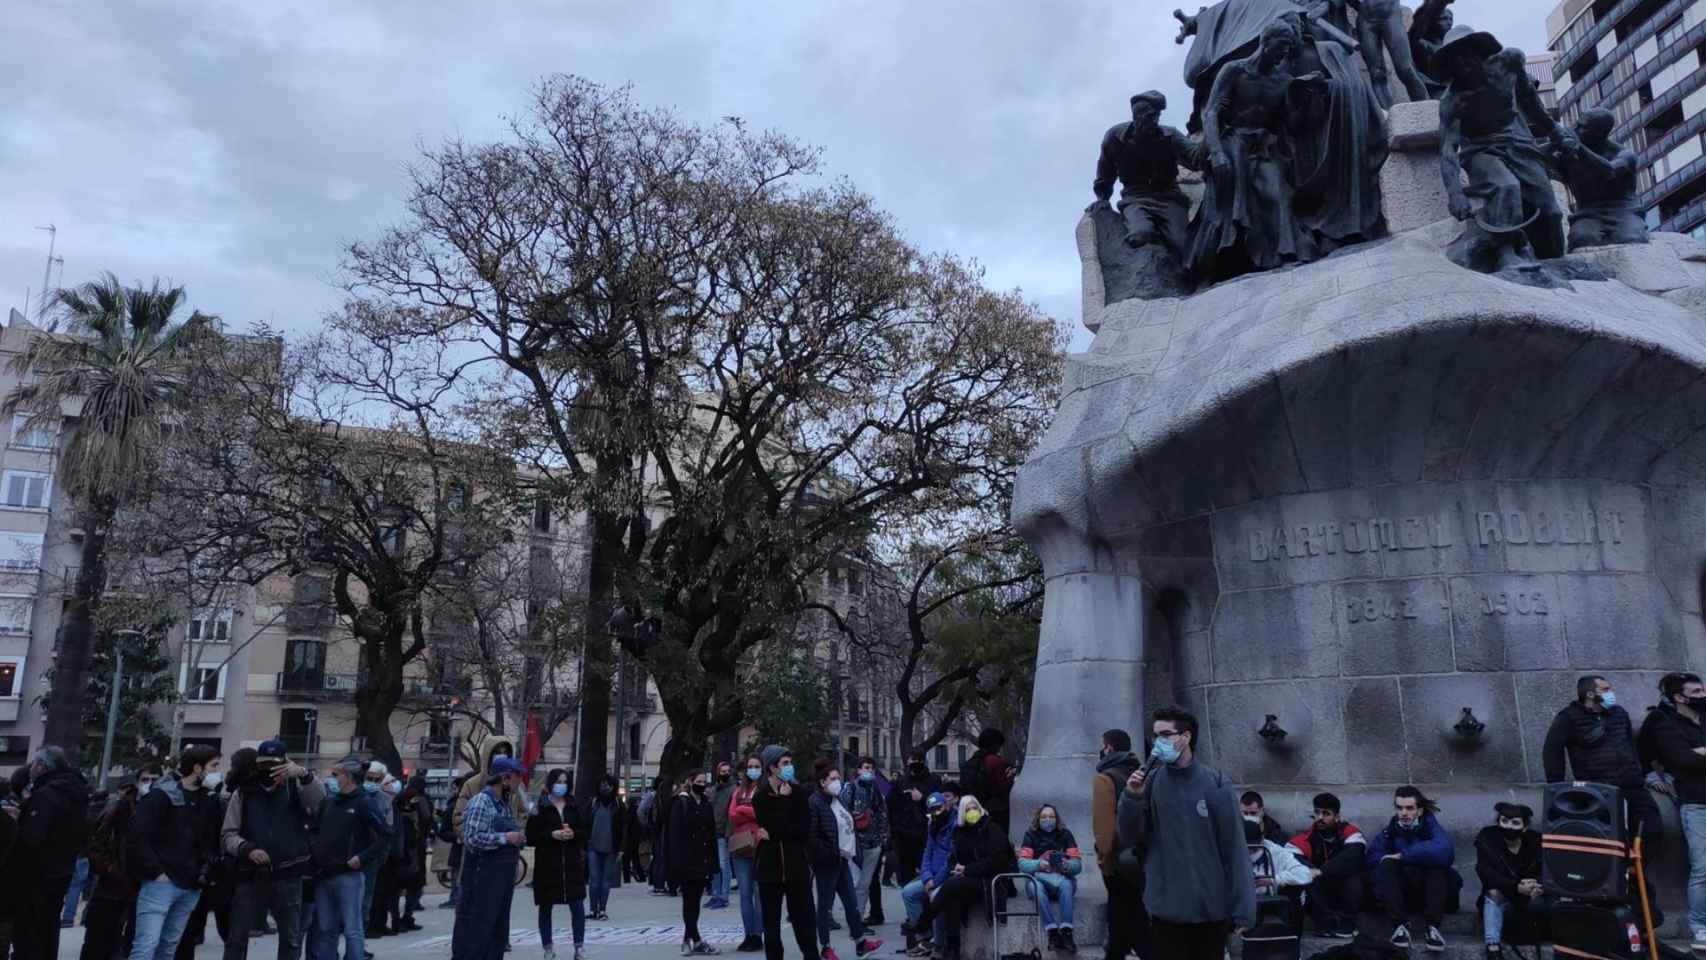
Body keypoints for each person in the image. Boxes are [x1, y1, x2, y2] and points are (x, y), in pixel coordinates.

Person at [1116, 707, 1255, 960]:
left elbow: (1234, 848)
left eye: (1166, 735)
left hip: (1210, 910)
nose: (1159, 743)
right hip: (1165, 911)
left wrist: (1243, 908)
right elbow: (1128, 836)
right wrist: (1131, 797)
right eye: (1156, 736)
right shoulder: (1152, 782)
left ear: (1186, 736)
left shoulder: (1216, 783)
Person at [1435, 26, 1574, 271]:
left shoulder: (1510, 63)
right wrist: (1454, 193)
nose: (1462, 63)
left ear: (1479, 51)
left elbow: (1530, 101)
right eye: (1454, 59)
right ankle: (1505, 252)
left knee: (1550, 211)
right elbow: (1448, 149)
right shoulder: (1453, 100)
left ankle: (1553, 260)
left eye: (1466, 54)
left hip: (1519, 145)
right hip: (1480, 151)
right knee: (1505, 186)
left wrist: (1554, 130)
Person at [221, 739, 323, 960]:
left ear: (285, 763)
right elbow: (228, 834)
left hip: (289, 875)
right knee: (237, 937)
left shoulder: (296, 787)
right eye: (264, 764)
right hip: (250, 876)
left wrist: (304, 774)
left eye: (274, 764)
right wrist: (247, 849)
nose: (269, 769)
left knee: (291, 939)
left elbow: (321, 803)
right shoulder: (244, 792)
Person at [128, 745, 222, 960]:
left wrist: (205, 870)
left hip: (190, 885)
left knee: (169, 946)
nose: (218, 770)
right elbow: (137, 836)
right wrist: (156, 873)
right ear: (198, 768)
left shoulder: (208, 800)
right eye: (214, 765)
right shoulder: (162, 796)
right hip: (161, 883)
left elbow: (209, 839)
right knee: (146, 946)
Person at [1543, 675, 1660, 845]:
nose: (1610, 693)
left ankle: (1635, 868)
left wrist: (1638, 772)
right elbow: (1552, 751)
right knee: (1610, 836)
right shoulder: (1569, 717)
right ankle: (1620, 870)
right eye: (1605, 690)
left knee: (1652, 829)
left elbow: (1629, 744)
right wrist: (1557, 788)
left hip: (1632, 783)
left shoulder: (1619, 713)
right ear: (1590, 694)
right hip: (1600, 788)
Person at [1090, 91, 1204, 258]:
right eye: (1151, 116)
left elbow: (1195, 158)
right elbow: (1105, 171)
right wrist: (1102, 199)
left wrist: (1211, 133)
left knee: (1184, 246)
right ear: (1138, 116)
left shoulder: (1170, 135)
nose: (1156, 120)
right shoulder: (1115, 137)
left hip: (1169, 199)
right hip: (1135, 199)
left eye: (1157, 115)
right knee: (1140, 235)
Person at [900, 796, 1014, 960]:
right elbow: (953, 858)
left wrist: (967, 869)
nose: (971, 812)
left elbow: (997, 861)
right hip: (967, 879)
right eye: (967, 810)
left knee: (952, 886)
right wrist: (957, 868)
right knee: (952, 899)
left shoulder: (992, 828)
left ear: (980, 808)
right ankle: (953, 951)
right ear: (962, 813)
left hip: (989, 881)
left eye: (974, 808)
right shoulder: (961, 832)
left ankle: (923, 921)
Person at [12, 745, 92, 960]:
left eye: (34, 763)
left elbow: (32, 838)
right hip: (62, 868)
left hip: (36, 873)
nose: (31, 768)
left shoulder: (47, 794)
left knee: (30, 931)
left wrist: (20, 821)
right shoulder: (77, 792)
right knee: (48, 925)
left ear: (42, 766)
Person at [1646, 672, 1706, 953]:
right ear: (1679, 698)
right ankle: (1701, 927)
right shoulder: (1664, 722)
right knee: (1703, 868)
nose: (1703, 695)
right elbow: (1683, 759)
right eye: (1697, 691)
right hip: (1696, 802)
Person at [310, 756, 391, 960]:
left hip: (349, 876)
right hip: (324, 875)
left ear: (347, 777)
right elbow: (314, 830)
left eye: (336, 775)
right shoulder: (328, 802)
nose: (333, 779)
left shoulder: (364, 802)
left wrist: (361, 858)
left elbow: (385, 834)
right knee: (326, 929)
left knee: (352, 930)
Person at [1367, 785, 1459, 953]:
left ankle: (1433, 929)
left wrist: (1403, 856)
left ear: (1420, 810)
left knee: (1436, 866)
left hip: (1431, 894)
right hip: (1403, 895)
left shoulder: (1430, 827)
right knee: (1386, 863)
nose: (1404, 813)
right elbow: (1373, 856)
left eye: (1409, 808)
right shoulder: (1392, 830)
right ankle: (1400, 927)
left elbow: (1445, 851)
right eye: (1399, 808)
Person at [451, 754, 525, 960]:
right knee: (477, 937)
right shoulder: (481, 802)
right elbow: (472, 838)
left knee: (496, 936)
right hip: (481, 882)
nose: (520, 781)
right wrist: (506, 838)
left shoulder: (504, 804)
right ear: (505, 778)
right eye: (517, 776)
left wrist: (518, 838)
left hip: (500, 884)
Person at [808, 761, 884, 960]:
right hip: (827, 862)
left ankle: (860, 943)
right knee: (824, 907)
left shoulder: (838, 800)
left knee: (851, 904)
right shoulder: (815, 802)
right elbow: (812, 837)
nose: (837, 782)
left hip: (842, 861)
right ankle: (825, 947)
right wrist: (829, 853)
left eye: (838, 778)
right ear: (822, 782)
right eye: (833, 779)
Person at [754, 745, 819, 960]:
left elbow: (801, 831)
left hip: (797, 867)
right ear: (772, 768)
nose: (790, 767)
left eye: (790, 763)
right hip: (769, 870)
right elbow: (773, 826)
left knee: (805, 919)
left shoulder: (799, 794)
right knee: (771, 925)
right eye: (785, 764)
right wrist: (782, 801)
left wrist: (775, 832)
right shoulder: (761, 797)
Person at [1091, 729, 1147, 960]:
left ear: (1109, 748)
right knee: (1131, 913)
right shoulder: (1141, 773)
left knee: (1124, 916)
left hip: (1118, 860)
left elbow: (1104, 827)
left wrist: (1104, 859)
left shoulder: (1106, 778)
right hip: (1141, 857)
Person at [1286, 792, 1366, 939]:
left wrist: (1321, 871)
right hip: (1320, 892)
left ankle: (1347, 923)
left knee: (1354, 877)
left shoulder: (1350, 833)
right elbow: (1290, 856)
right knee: (1303, 877)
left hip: (1343, 888)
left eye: (1326, 813)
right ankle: (1325, 922)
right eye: (1317, 812)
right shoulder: (1306, 838)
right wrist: (1312, 871)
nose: (1320, 818)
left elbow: (1352, 857)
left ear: (1337, 816)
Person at [527, 769, 588, 960]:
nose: (562, 785)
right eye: (558, 781)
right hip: (548, 866)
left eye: (565, 781)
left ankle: (579, 947)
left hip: (571, 865)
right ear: (551, 784)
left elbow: (584, 832)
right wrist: (551, 834)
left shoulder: (573, 806)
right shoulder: (540, 807)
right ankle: (548, 948)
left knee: (577, 906)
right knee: (545, 907)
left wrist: (573, 834)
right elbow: (531, 837)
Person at [83, 774, 142, 960]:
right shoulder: (116, 809)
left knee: (112, 941)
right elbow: (97, 844)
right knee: (102, 939)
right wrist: (111, 870)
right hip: (113, 885)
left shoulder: (143, 810)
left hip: (128, 885)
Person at [1475, 802, 1545, 959]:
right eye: (1504, 821)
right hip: (1503, 898)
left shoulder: (1536, 841)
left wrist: (1536, 884)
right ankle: (1493, 948)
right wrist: (1516, 886)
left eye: (1515, 823)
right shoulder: (1487, 838)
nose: (1508, 826)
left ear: (1524, 827)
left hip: (1529, 901)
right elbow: (1485, 872)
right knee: (1493, 892)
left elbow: (1549, 871)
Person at [669, 769, 723, 956]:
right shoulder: (681, 803)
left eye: (704, 781)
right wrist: (675, 865)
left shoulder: (707, 804)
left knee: (695, 901)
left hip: (703, 859)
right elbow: (674, 836)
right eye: (699, 781)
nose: (703, 784)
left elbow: (711, 833)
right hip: (686, 860)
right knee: (688, 900)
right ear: (691, 782)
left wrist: (714, 863)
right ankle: (696, 940)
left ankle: (688, 939)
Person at [1019, 803, 1083, 953]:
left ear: (1057, 818)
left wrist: (1066, 865)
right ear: (1038, 819)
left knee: (1067, 884)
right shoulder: (1031, 835)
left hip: (1061, 879)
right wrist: (1039, 864)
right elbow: (1022, 863)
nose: (1048, 819)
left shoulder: (1065, 834)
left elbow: (1078, 865)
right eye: (1044, 816)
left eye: (1051, 816)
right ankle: (1052, 933)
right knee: (1037, 887)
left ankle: (1067, 932)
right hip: (1038, 880)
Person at [900, 792, 954, 958]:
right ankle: (925, 938)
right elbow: (927, 853)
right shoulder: (933, 824)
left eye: (939, 808)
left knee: (936, 896)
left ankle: (938, 944)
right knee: (908, 893)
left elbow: (952, 858)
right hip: (932, 876)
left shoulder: (955, 824)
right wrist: (926, 877)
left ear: (946, 805)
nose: (936, 812)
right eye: (933, 810)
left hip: (946, 877)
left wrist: (935, 881)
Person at [728, 755, 766, 952]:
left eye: (756, 766)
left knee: (760, 894)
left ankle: (758, 935)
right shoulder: (738, 791)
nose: (753, 770)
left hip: (761, 847)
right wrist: (750, 810)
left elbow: (765, 813)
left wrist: (745, 810)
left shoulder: (765, 790)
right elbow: (732, 815)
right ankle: (748, 934)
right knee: (744, 893)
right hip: (741, 847)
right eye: (750, 767)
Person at [844, 757, 889, 925]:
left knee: (865, 883)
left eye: (871, 768)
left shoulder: (877, 790)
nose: (869, 771)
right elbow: (843, 814)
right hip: (855, 844)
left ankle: (859, 919)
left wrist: (883, 838)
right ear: (859, 770)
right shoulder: (850, 789)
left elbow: (883, 814)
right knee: (856, 883)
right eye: (866, 767)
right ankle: (855, 917)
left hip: (873, 844)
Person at [889, 753, 940, 888]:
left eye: (917, 761)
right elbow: (893, 805)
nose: (914, 764)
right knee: (906, 872)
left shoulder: (934, 780)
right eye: (912, 761)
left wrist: (922, 798)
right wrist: (895, 829)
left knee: (927, 870)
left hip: (926, 830)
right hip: (905, 833)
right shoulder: (901, 782)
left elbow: (939, 802)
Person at [394, 772, 433, 932]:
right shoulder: (420, 800)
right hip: (415, 847)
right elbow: (426, 818)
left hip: (399, 847)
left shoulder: (398, 797)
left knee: (396, 887)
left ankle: (396, 919)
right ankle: (407, 916)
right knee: (414, 884)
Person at [584, 774, 625, 922]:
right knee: (594, 880)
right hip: (593, 847)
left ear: (613, 787)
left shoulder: (619, 805)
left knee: (606, 881)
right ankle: (592, 909)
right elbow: (585, 824)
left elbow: (623, 827)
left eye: (608, 784)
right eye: (602, 784)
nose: (605, 787)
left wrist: (621, 848)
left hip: (611, 848)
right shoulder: (593, 803)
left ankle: (602, 910)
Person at [967, 730, 1015, 835]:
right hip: (998, 810)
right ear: (995, 745)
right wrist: (1011, 779)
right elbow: (1003, 788)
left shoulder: (973, 761)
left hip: (978, 808)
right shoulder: (997, 762)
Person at [710, 761, 737, 911]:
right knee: (714, 865)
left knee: (723, 865)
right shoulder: (713, 790)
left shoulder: (733, 790)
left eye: (728, 771)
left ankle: (724, 896)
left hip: (724, 833)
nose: (726, 773)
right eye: (723, 771)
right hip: (713, 832)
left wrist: (728, 833)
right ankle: (715, 894)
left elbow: (731, 814)